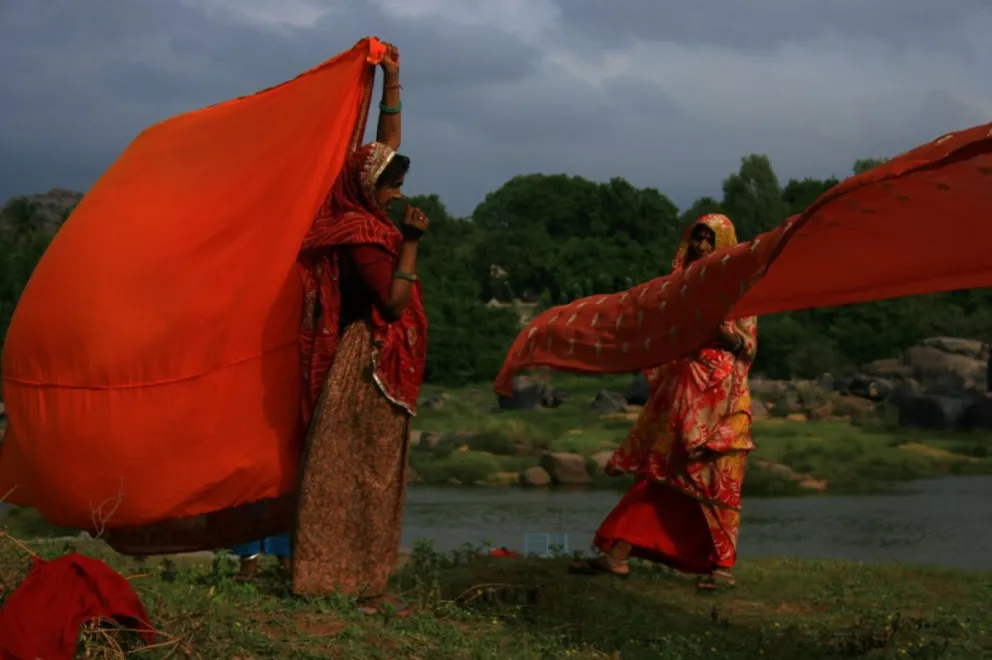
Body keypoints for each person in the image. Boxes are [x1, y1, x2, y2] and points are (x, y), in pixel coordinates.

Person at [292, 42, 429, 609]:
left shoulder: (361, 210)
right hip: (367, 366)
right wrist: (414, 245)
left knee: (366, 473)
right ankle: (346, 583)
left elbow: (384, 147)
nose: (398, 194)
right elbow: (394, 304)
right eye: (391, 185)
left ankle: (361, 582)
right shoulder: (361, 234)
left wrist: (392, 78)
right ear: (369, 188)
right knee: (359, 476)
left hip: (372, 366)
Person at [569, 214, 757, 590]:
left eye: (709, 239)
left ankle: (722, 568)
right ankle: (616, 556)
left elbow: (748, 348)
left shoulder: (739, 289)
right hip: (682, 391)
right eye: (696, 238)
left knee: (716, 481)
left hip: (722, 401)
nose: (701, 246)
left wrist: (725, 335)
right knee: (658, 476)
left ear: (724, 244)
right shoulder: (680, 288)